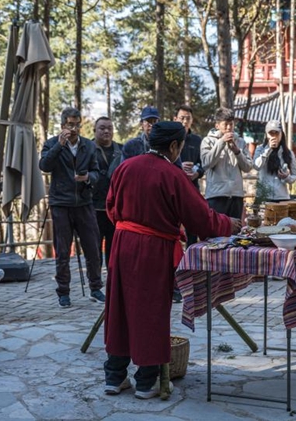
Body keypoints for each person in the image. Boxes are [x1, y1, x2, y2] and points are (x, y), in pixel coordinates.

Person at [103, 122, 241, 399]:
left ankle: (114, 377)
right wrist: (232, 224)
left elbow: (111, 208)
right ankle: (145, 381)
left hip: (121, 245)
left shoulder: (126, 167)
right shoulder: (173, 174)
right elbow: (201, 218)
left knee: (118, 308)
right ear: (176, 146)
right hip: (153, 249)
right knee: (149, 311)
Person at [40, 107, 105, 308]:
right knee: (62, 250)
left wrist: (88, 178)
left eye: (77, 124)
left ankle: (95, 287)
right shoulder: (51, 144)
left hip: (85, 203)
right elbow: (44, 165)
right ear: (62, 126)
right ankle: (63, 292)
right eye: (70, 124)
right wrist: (59, 145)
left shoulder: (88, 146)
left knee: (93, 248)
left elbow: (97, 172)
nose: (74, 128)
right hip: (61, 204)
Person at [201, 107, 253, 220]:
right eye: (226, 124)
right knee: (216, 233)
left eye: (231, 124)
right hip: (216, 196)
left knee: (235, 234)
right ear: (217, 125)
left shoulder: (240, 142)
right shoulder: (207, 141)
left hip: (236, 195)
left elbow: (248, 167)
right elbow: (206, 163)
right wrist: (221, 142)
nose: (229, 127)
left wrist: (237, 151)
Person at [93, 116, 122, 268]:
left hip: (114, 207)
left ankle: (112, 280)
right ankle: (96, 282)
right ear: (95, 130)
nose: (106, 131)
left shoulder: (121, 150)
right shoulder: (87, 149)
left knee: (114, 247)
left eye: (109, 128)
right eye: (102, 128)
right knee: (94, 246)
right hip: (93, 207)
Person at [253, 120, 296, 201]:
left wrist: (287, 177)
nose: (274, 136)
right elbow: (256, 166)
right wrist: (268, 149)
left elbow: (294, 176)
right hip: (263, 196)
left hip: (282, 197)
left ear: (281, 134)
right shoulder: (260, 149)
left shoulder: (289, 153)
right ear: (266, 135)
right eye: (271, 133)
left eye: (276, 133)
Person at [173, 104, 205, 194]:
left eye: (188, 118)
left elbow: (204, 163)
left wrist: (197, 173)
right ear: (175, 119)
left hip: (192, 187)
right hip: (173, 186)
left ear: (192, 120)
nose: (185, 121)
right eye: (182, 118)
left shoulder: (197, 140)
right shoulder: (169, 139)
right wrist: (179, 166)